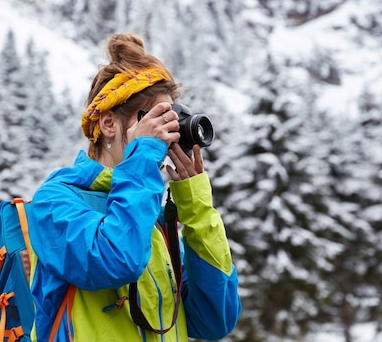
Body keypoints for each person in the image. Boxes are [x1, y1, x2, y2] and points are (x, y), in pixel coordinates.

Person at [26, 33, 241, 342]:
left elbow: (215, 320)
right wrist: (142, 158)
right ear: (108, 124)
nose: (164, 135)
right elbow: (117, 260)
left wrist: (195, 206)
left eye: (169, 122)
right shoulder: (55, 201)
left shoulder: (151, 218)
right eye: (154, 119)